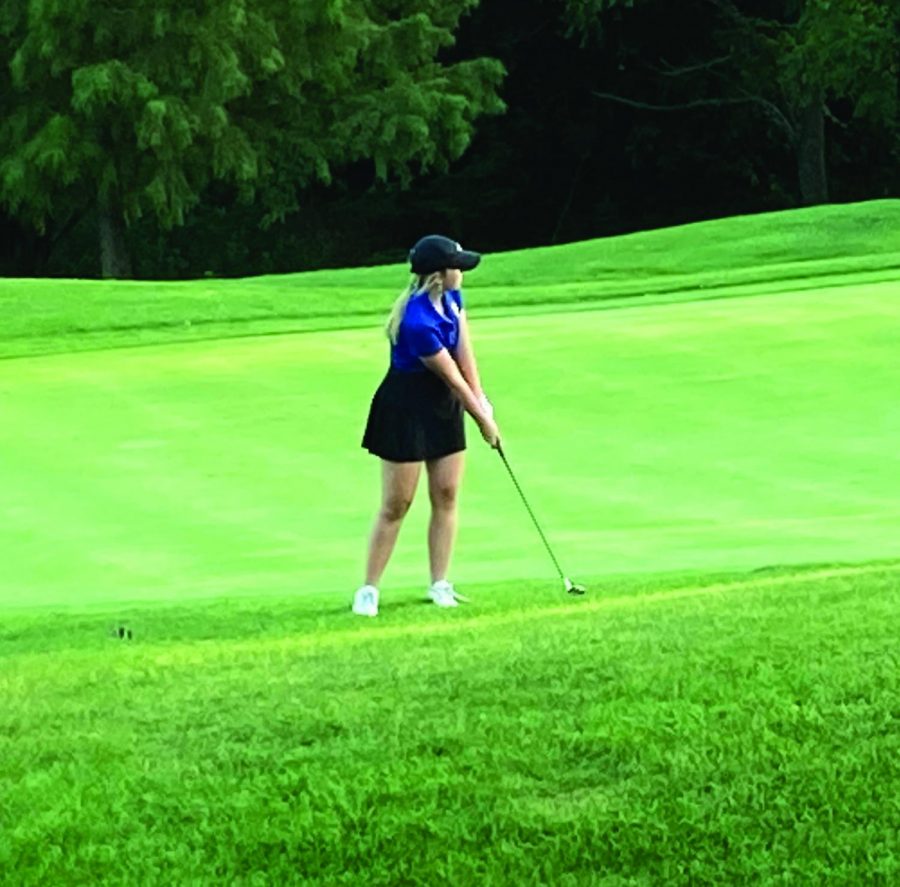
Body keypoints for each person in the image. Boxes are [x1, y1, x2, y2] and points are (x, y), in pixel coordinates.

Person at [353, 235, 501, 617]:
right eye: (457, 267)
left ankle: (440, 583)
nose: (462, 273)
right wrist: (483, 422)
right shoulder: (417, 321)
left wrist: (483, 402)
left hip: (441, 406)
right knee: (397, 503)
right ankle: (368, 590)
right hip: (406, 406)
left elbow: (465, 358)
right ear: (439, 275)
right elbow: (452, 378)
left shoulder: (453, 300)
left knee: (447, 493)